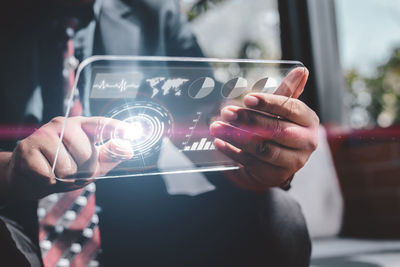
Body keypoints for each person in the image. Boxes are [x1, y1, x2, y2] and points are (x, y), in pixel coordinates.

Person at [0, 0, 319, 266]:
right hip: (13, 221)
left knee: (277, 219)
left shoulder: (153, 13)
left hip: (139, 223)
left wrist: (253, 152)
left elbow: (203, 123)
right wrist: (12, 170)